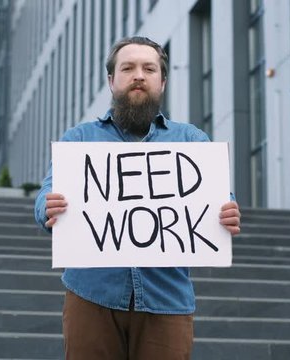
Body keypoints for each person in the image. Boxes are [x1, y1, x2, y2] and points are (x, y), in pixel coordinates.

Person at [34, 36, 241, 360]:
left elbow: (218, 198)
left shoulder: (191, 140)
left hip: (166, 300)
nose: (139, 75)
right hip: (91, 297)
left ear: (163, 81)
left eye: (149, 68)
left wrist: (227, 212)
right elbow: (48, 192)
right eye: (128, 68)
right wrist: (46, 207)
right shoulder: (79, 138)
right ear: (111, 80)